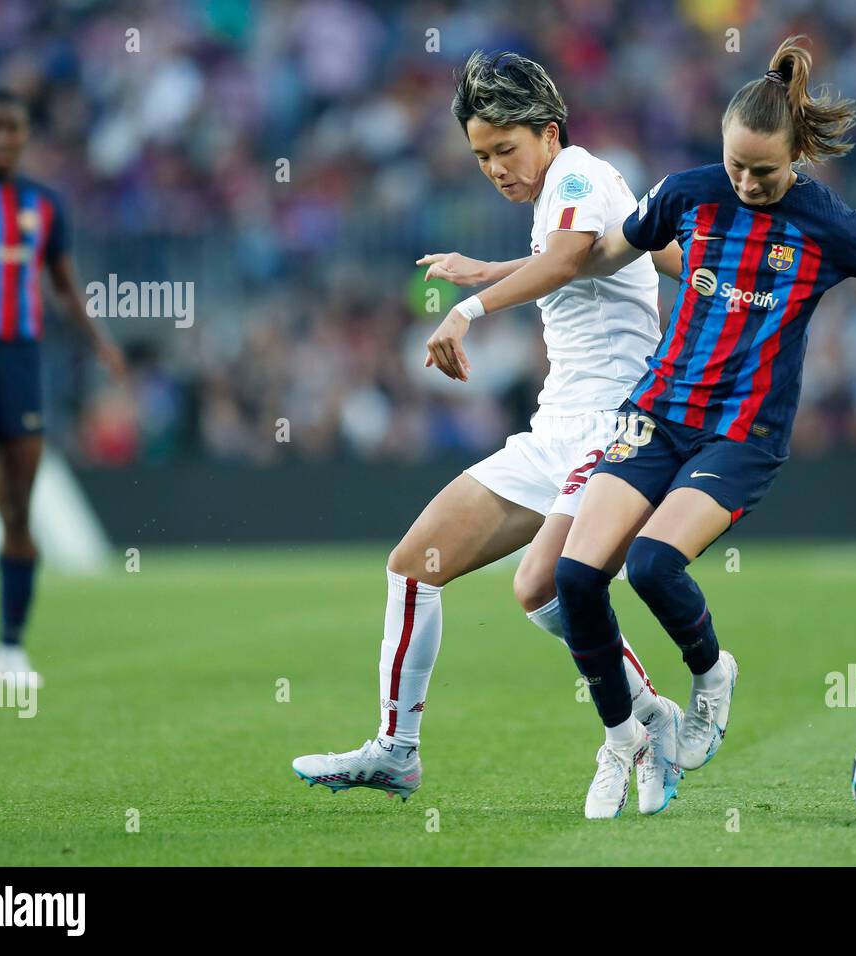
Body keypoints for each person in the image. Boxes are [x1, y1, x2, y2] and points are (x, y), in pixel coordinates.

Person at [413, 36, 856, 818]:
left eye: (765, 172)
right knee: (573, 580)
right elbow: (595, 256)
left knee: (650, 569)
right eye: (736, 166)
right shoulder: (688, 193)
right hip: (658, 413)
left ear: (796, 158)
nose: (747, 183)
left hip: (742, 435)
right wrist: (489, 272)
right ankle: (622, 741)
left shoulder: (828, 223)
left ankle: (712, 678)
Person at [293, 51, 690, 817]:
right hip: (558, 429)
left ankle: (648, 722)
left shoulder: (576, 172)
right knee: (414, 567)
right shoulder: (568, 193)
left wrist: (468, 308)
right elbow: (587, 259)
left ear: (547, 133)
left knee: (542, 585)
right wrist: (486, 269)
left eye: (506, 150)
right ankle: (397, 751)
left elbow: (571, 257)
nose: (495, 169)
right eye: (480, 156)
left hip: (616, 426)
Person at [0, 89, 125, 689]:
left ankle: (10, 650)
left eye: (14, 130)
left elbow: (64, 284)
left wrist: (99, 341)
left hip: (21, 357)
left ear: (25, 137)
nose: (4, 140)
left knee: (18, 505)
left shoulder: (45, 204)